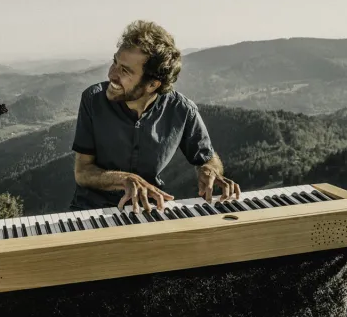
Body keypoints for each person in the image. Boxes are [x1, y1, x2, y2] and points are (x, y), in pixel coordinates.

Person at [70, 19, 240, 213]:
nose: (112, 74)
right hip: (90, 210)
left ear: (152, 85)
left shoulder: (182, 110)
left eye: (124, 70)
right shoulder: (93, 100)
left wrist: (210, 171)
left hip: (148, 210)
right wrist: (124, 179)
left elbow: (207, 158)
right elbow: (82, 171)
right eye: (115, 62)